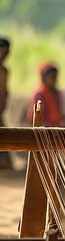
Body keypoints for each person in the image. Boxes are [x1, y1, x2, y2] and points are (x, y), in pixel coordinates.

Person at [27, 63, 62, 127]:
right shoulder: (39, 94)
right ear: (43, 78)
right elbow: (35, 118)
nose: (55, 80)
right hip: (44, 131)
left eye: (55, 77)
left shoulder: (57, 93)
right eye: (52, 77)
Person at [0, 38, 12, 169]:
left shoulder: (5, 71)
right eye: (1, 52)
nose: (3, 56)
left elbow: (4, 91)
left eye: (6, 53)